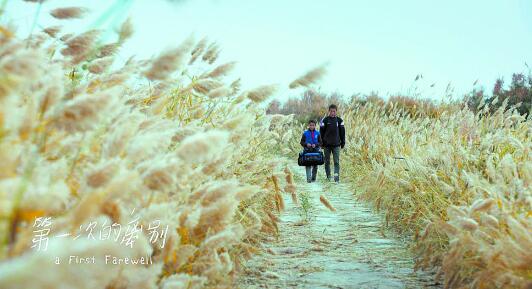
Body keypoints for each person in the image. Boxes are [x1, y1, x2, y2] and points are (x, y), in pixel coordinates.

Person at [319, 104, 345, 183]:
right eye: (331, 111)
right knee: (327, 162)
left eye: (334, 111)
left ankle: (336, 178)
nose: (333, 113)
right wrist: (321, 143)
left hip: (336, 145)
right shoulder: (325, 121)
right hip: (326, 145)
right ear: (329, 111)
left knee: (336, 162)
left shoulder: (340, 121)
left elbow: (342, 133)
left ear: (336, 111)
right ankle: (328, 177)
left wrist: (343, 142)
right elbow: (321, 133)